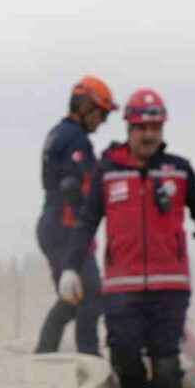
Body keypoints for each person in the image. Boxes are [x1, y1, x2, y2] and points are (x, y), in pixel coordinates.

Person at [59, 88, 195, 388]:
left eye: (156, 126)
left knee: (167, 365)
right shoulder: (107, 171)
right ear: (129, 127)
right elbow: (87, 221)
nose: (149, 134)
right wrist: (71, 268)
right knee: (124, 357)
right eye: (142, 127)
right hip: (122, 287)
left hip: (172, 285)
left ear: (163, 127)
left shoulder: (179, 170)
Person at [35, 76, 117, 355]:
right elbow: (75, 188)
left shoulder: (58, 133)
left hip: (52, 224)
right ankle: (89, 360)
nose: (103, 121)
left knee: (72, 299)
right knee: (90, 296)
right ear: (85, 107)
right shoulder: (76, 139)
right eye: (102, 114)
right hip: (65, 227)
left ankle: (43, 355)